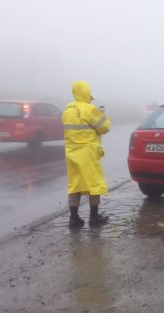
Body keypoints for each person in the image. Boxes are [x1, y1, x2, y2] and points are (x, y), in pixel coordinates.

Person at [62, 81, 111, 228]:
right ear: (86, 93)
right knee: (93, 184)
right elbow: (105, 128)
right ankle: (94, 216)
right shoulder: (90, 109)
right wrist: (102, 114)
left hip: (71, 152)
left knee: (74, 184)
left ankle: (74, 218)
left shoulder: (67, 109)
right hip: (88, 152)